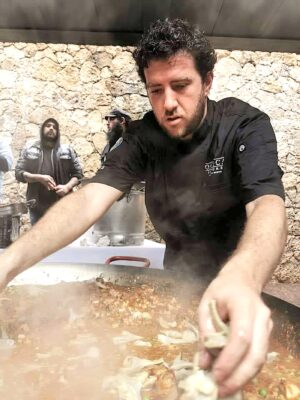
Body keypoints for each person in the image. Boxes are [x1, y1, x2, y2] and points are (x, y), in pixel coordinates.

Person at [0, 19, 287, 396]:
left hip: (239, 289)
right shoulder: (142, 137)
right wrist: (8, 262)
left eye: (181, 85)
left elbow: (267, 205)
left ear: (208, 81)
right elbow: (90, 197)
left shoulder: (244, 125)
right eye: (156, 90)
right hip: (176, 286)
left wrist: (242, 279)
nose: (168, 103)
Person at [15, 118, 83, 224]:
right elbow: (19, 173)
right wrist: (39, 178)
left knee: (62, 238)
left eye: (54, 127)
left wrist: (67, 187)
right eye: (48, 126)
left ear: (58, 132)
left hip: (62, 204)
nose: (51, 128)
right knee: (39, 238)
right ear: (42, 129)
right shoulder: (30, 149)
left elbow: (78, 174)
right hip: (37, 206)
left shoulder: (67, 150)